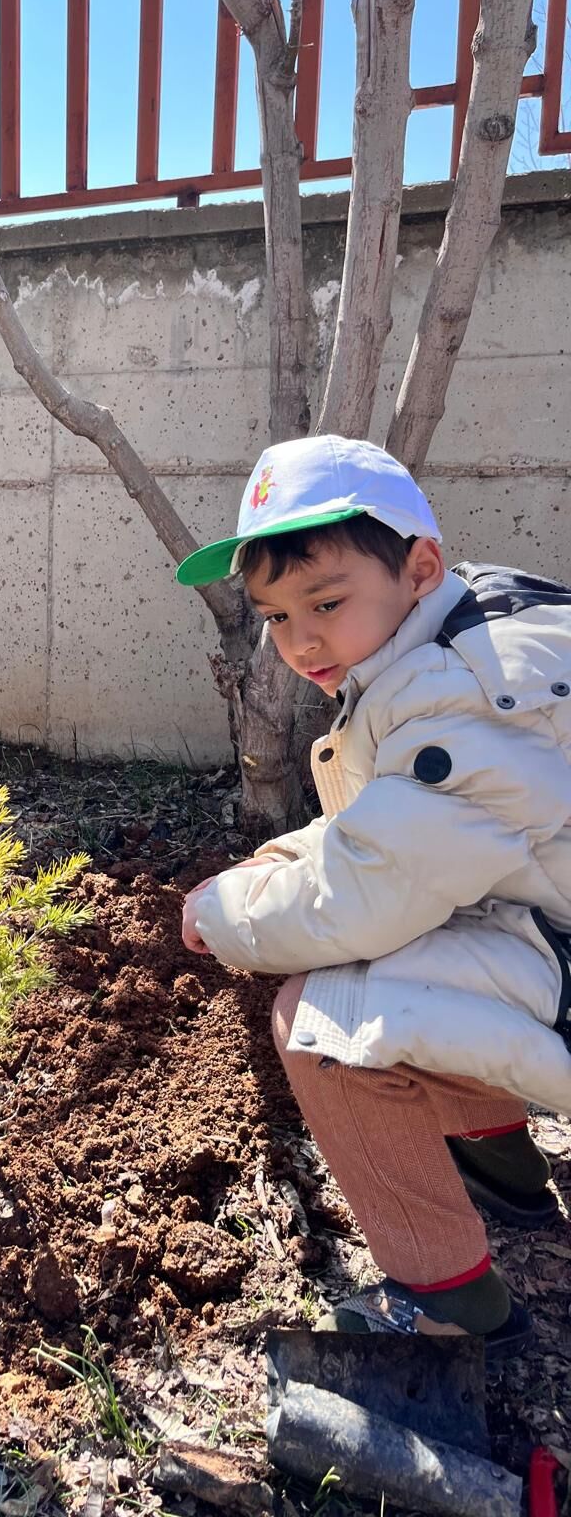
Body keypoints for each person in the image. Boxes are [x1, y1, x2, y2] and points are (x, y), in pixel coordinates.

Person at [175, 434, 571, 1358]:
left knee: (323, 1020)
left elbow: (367, 897)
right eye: (274, 614)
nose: (300, 639)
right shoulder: (466, 627)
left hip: (558, 955)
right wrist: (280, 855)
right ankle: (499, 1163)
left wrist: (220, 914)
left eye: (326, 602)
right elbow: (407, 836)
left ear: (418, 564)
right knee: (407, 957)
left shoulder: (466, 698)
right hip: (546, 925)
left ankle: (448, 1305)